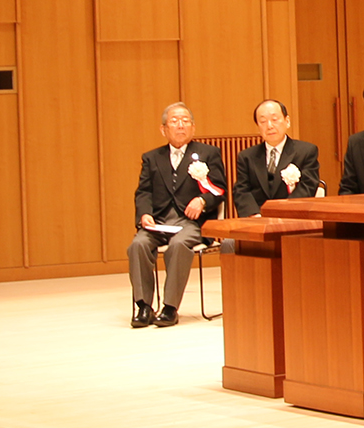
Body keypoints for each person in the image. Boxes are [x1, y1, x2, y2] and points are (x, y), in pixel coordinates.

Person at [128, 103, 227, 328]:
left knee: (179, 245)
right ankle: (143, 306)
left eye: (185, 121)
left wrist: (202, 201)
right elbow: (144, 191)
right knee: (138, 244)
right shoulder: (152, 158)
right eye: (174, 121)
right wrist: (144, 214)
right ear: (163, 129)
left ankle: (170, 307)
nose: (180, 125)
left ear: (193, 127)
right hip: (159, 222)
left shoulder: (208, 153)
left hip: (191, 223)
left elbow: (219, 188)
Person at [233, 99, 321, 217]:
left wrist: (283, 213)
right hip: (258, 220)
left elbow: (307, 187)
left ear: (287, 121)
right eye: (263, 121)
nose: (269, 126)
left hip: (293, 218)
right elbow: (241, 191)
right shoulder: (247, 156)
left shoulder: (306, 151)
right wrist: (254, 215)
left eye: (274, 120)